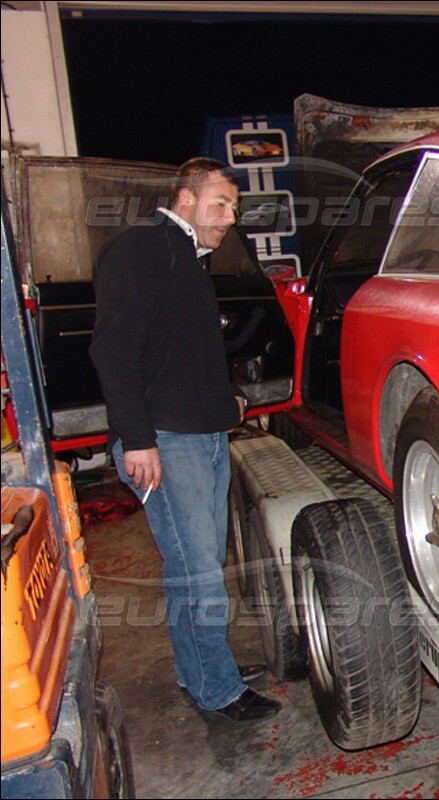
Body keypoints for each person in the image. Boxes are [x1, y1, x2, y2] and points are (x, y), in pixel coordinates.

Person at [90, 158, 280, 721]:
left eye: (233, 209)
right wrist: (137, 438)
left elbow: (178, 357)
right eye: (220, 204)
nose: (228, 219)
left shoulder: (186, 259)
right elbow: (114, 351)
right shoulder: (142, 248)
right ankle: (216, 690)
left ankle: (201, 667)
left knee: (196, 568)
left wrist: (228, 404)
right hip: (165, 444)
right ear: (185, 198)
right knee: (197, 572)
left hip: (199, 436)